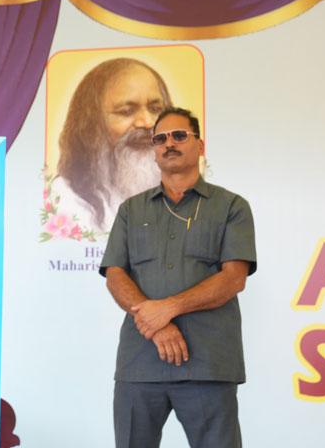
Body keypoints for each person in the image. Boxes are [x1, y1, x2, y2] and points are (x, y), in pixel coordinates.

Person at [99, 107, 256, 447]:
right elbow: (115, 274)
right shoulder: (131, 210)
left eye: (179, 136)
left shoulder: (232, 207)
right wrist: (156, 324)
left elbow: (233, 279)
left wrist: (167, 308)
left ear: (200, 145)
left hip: (208, 365)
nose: (169, 144)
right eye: (160, 139)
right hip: (139, 363)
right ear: (154, 150)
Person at [44, 58, 171, 238]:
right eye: (127, 111)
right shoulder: (65, 199)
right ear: (92, 126)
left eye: (156, 108)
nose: (147, 122)